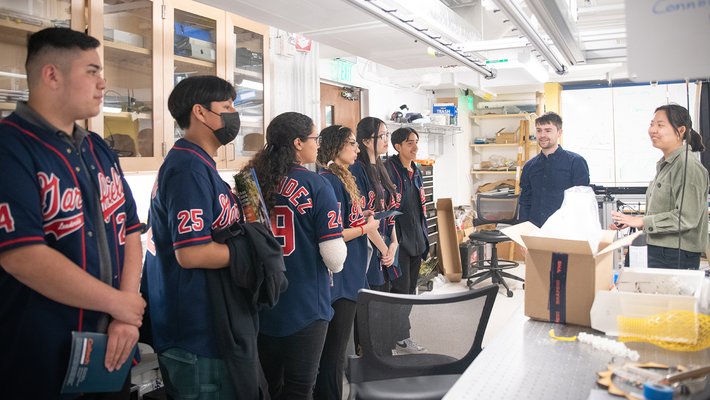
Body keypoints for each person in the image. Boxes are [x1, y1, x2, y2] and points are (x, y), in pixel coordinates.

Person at [0, 27, 145, 399]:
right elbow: (23, 256)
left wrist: (125, 316)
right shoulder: (10, 148)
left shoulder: (98, 148)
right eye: (92, 71)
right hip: (39, 356)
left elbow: (129, 229)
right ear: (52, 75)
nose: (103, 83)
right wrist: (121, 306)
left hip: (111, 348)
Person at [143, 75, 245, 399]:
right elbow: (192, 253)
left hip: (206, 324)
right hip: (193, 332)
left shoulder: (200, 164)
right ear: (200, 112)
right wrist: (251, 254)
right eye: (226, 107)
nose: (233, 114)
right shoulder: (187, 168)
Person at [246, 112, 346, 399]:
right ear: (298, 143)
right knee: (300, 389)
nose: (318, 145)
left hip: (263, 300)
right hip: (305, 304)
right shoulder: (317, 184)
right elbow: (334, 258)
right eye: (315, 139)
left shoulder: (249, 181)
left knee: (270, 386)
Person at [314, 125, 385, 400]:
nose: (357, 149)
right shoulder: (329, 181)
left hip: (353, 273)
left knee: (337, 350)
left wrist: (362, 216)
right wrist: (366, 229)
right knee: (334, 353)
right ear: (336, 147)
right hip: (341, 279)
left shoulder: (344, 179)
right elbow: (336, 233)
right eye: (352, 144)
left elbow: (345, 220)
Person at [611, 104, 709, 269]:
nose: (653, 130)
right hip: (658, 250)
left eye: (660, 125)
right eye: (652, 124)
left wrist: (641, 220)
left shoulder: (688, 166)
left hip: (673, 255)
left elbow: (685, 218)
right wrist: (634, 222)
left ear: (681, 130)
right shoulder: (667, 165)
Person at [385, 127, 430, 354]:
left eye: (416, 142)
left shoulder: (417, 171)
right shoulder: (389, 170)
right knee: (400, 292)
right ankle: (399, 337)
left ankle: (400, 336)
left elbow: (420, 209)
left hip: (417, 241)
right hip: (398, 242)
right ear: (398, 146)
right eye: (410, 143)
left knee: (411, 291)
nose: (415, 147)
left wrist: (425, 238)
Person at [519, 111, 590, 227]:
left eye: (548, 130)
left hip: (566, 231)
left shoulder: (576, 162)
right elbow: (525, 202)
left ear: (559, 133)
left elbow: (582, 202)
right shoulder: (529, 166)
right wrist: (523, 232)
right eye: (539, 130)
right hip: (536, 230)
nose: (542, 135)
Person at [352, 117, 397, 291]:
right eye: (382, 135)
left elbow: (388, 210)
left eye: (387, 134)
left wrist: (394, 244)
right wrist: (385, 250)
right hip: (371, 248)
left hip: (385, 246)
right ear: (366, 141)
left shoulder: (381, 167)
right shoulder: (357, 170)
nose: (387, 140)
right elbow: (364, 217)